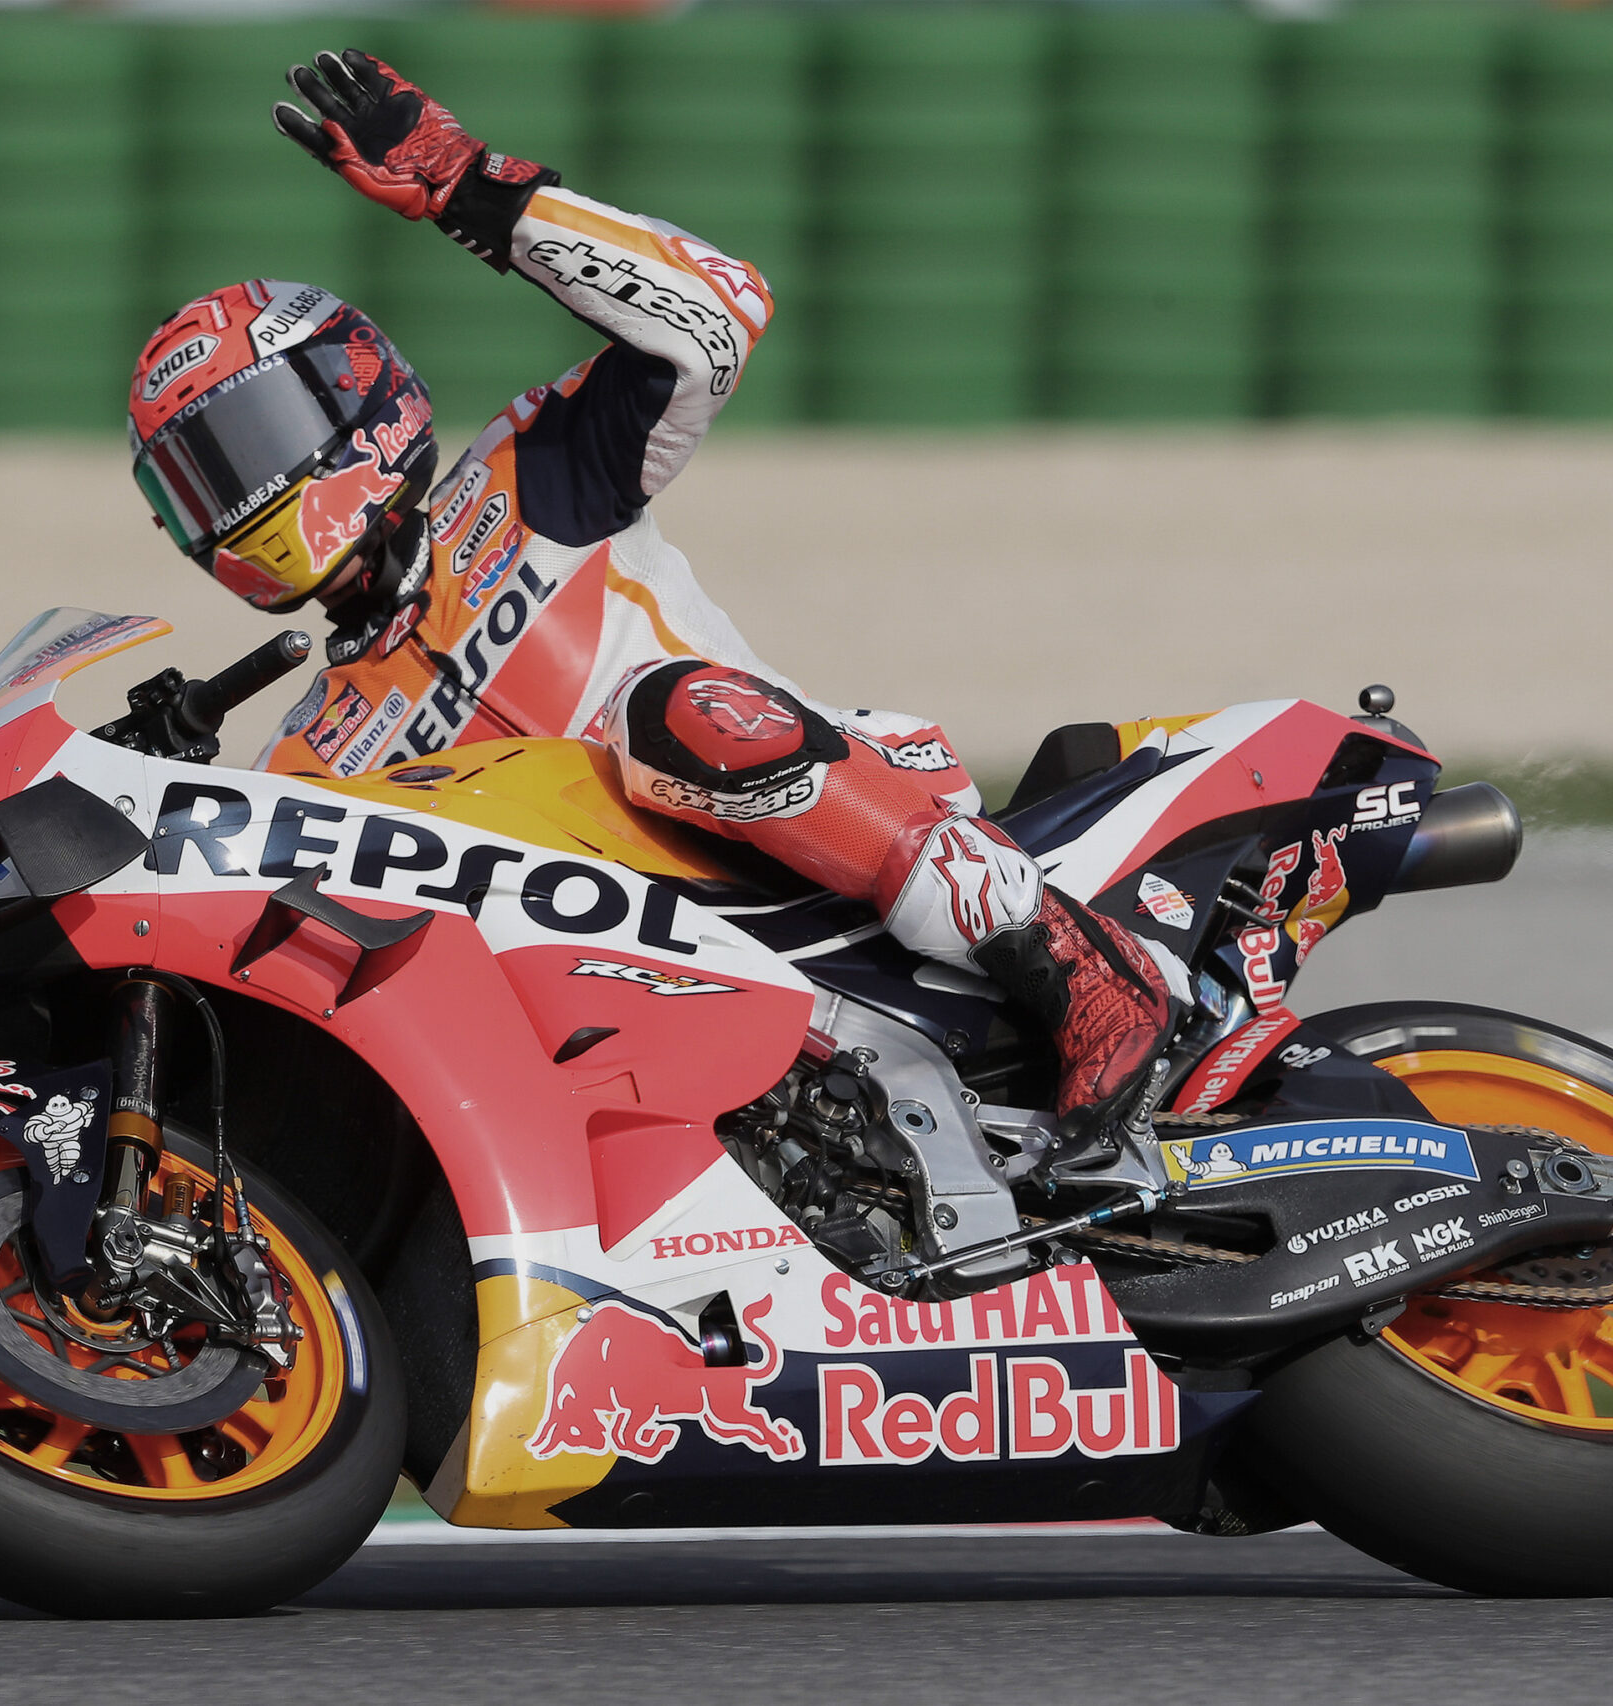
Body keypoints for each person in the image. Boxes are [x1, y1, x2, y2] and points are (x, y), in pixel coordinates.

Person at [125, 50, 1170, 1143]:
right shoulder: (304, 759)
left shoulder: (532, 473)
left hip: (808, 851)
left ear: (352, 390)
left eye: (247, 441)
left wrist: (475, 190)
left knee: (664, 714)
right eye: (199, 477)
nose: (240, 492)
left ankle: (1078, 963)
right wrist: (150, 806)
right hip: (618, 1017)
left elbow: (721, 312)